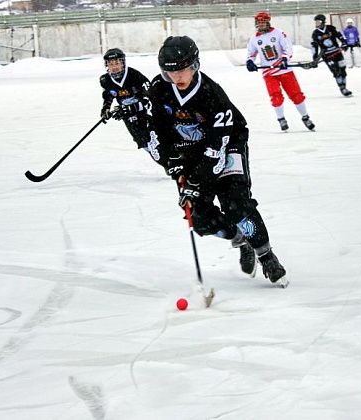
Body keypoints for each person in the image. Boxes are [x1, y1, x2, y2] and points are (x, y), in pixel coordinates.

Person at [146, 36, 288, 286]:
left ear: (195, 65)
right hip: (189, 150)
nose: (176, 78)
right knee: (198, 218)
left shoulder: (212, 95)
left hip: (227, 142)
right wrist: (173, 163)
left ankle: (266, 255)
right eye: (170, 74)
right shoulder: (158, 89)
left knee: (236, 204)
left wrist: (196, 180)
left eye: (182, 71)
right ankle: (239, 238)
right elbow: (158, 131)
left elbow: (215, 150)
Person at [245, 11, 315, 132]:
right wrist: (249, 62)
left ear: (268, 22)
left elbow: (288, 48)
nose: (261, 25)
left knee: (296, 95)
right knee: (275, 96)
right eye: (259, 23)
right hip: (269, 73)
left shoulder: (278, 33)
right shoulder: (254, 39)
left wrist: (284, 59)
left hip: (285, 70)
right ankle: (281, 119)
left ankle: (305, 117)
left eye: (263, 22)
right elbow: (251, 53)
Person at [98, 48, 154, 150]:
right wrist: (105, 109)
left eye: (117, 63)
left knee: (155, 140)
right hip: (128, 117)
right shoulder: (105, 80)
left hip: (145, 114)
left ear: (123, 63)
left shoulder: (134, 75)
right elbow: (108, 96)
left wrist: (129, 108)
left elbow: (150, 98)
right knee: (142, 143)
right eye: (110, 64)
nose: (114, 67)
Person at [310, 14, 352, 97]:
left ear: (323, 22)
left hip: (337, 52)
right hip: (327, 56)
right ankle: (342, 88)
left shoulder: (331, 28)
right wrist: (315, 58)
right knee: (336, 71)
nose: (316, 23)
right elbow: (314, 46)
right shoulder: (315, 33)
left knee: (343, 69)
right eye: (316, 22)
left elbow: (340, 36)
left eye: (318, 21)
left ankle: (345, 87)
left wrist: (344, 43)